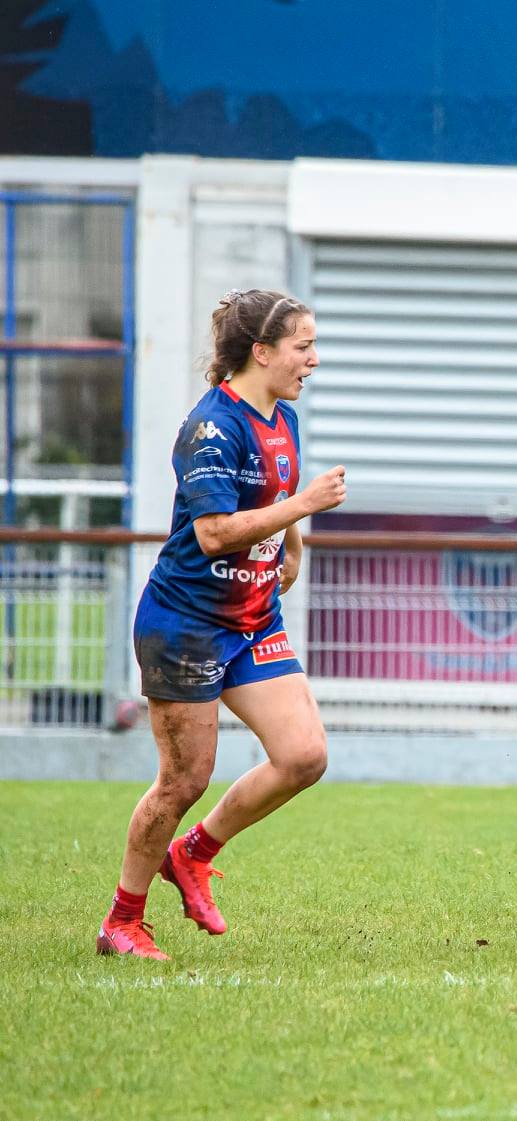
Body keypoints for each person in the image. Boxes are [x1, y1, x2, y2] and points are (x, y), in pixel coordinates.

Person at [99, 289, 346, 960]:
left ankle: (194, 853)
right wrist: (303, 503)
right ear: (261, 352)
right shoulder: (212, 427)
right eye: (303, 346)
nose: (314, 360)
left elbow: (274, 503)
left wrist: (291, 548)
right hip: (188, 622)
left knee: (303, 755)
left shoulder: (281, 417)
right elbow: (212, 533)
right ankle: (122, 920)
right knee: (183, 780)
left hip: (254, 615)